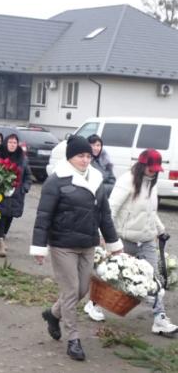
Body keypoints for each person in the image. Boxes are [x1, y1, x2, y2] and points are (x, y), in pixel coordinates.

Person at [31, 135, 123, 362]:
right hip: (62, 245)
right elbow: (43, 217)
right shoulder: (56, 181)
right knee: (71, 291)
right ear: (70, 157)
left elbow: (105, 216)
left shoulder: (97, 180)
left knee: (82, 290)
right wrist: (39, 248)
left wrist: (114, 244)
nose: (85, 160)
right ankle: (73, 339)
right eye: (80, 156)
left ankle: (53, 314)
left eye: (88, 156)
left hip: (88, 244)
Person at [109, 149, 178, 336]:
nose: (153, 171)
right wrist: (106, 236)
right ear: (142, 165)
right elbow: (111, 208)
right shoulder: (127, 181)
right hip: (125, 239)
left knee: (153, 278)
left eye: (156, 169)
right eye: (150, 168)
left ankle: (159, 319)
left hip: (146, 239)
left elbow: (150, 212)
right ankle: (94, 305)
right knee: (118, 279)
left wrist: (161, 229)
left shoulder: (152, 184)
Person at [82, 133, 117, 322]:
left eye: (99, 145)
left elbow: (112, 183)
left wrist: (103, 189)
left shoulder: (105, 162)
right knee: (97, 261)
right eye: (93, 145)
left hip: (103, 209)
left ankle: (93, 301)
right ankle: (92, 299)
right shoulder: (85, 164)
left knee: (101, 259)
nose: (96, 148)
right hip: (90, 214)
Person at [0, 134, 32, 257]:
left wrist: (24, 188)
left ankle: (2, 237)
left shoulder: (23, 159)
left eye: (14, 143)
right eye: (10, 142)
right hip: (1, 193)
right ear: (5, 143)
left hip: (16, 194)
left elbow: (28, 176)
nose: (12, 145)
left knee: (10, 217)